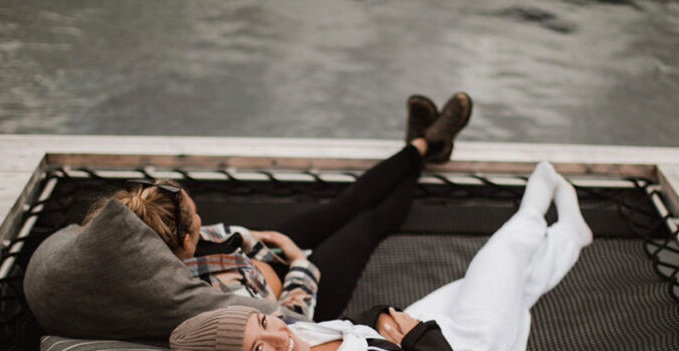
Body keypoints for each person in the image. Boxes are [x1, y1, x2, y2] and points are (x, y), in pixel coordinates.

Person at [169, 162, 593, 351]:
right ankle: (534, 212)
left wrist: (381, 319)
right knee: (501, 258)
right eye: (259, 350)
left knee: (510, 288)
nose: (280, 336)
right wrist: (419, 338)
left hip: (414, 344)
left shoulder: (296, 347)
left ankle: (571, 235)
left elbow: (350, 327)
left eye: (263, 321)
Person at [84, 93, 472, 321]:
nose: (203, 224)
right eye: (197, 220)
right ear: (183, 242)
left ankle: (419, 146)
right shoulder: (197, 303)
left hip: (262, 255)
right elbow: (288, 325)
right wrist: (299, 263)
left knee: (345, 203)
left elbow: (220, 237)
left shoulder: (149, 242)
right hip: (307, 292)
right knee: (366, 224)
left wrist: (255, 244)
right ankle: (427, 147)